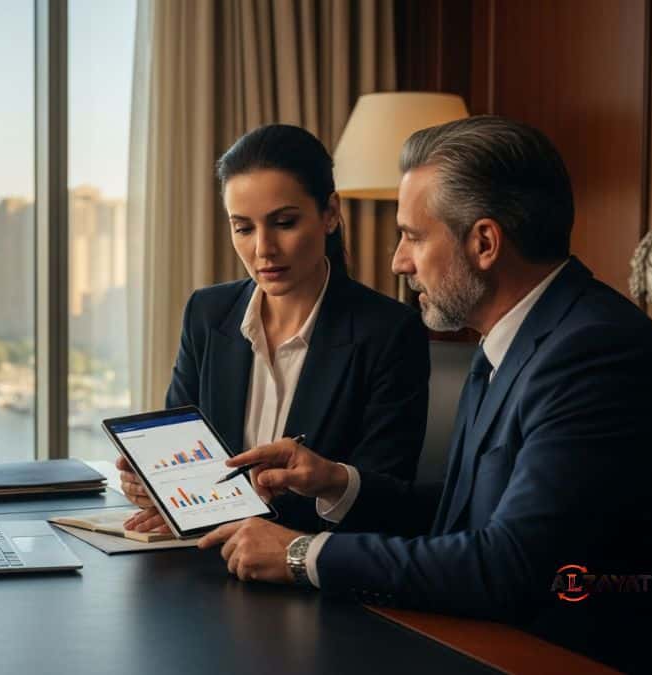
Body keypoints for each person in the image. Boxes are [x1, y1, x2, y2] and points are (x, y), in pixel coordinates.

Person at [196, 115, 652, 673]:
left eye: (413, 235)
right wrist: (336, 481)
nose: (399, 262)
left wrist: (300, 553)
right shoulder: (507, 341)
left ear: (484, 242)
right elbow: (466, 517)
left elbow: (509, 566)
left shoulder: (597, 354)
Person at [118, 124, 429, 536]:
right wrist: (158, 486)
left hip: (318, 570)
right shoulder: (207, 313)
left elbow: (381, 499)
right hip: (205, 556)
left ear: (330, 214)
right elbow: (185, 459)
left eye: (283, 222)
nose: (263, 249)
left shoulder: (390, 332)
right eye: (243, 228)